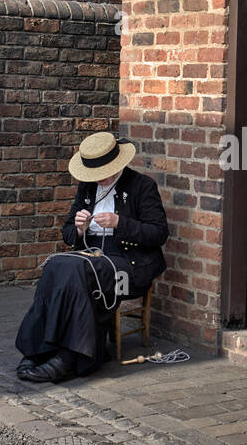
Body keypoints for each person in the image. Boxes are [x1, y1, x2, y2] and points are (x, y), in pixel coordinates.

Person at [14, 132, 169, 383]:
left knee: (78, 272)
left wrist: (121, 222)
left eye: (104, 172)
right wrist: (78, 228)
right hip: (90, 256)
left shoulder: (142, 186)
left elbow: (159, 233)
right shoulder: (87, 187)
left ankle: (69, 357)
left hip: (129, 263)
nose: (99, 179)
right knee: (55, 265)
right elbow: (67, 234)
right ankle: (40, 349)